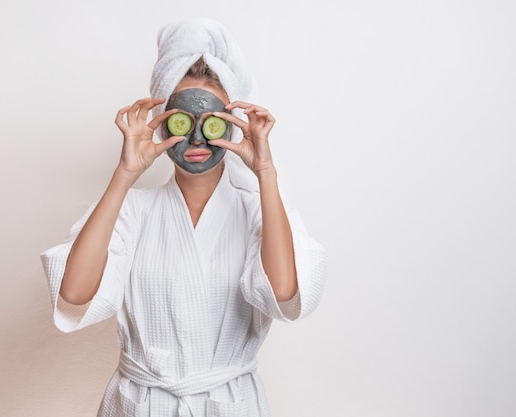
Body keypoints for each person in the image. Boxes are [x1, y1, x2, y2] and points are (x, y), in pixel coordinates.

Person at [41, 17, 327, 417]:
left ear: (230, 123)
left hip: (230, 404)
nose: (196, 139)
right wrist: (125, 174)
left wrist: (265, 172)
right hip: (142, 404)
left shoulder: (259, 209)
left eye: (210, 123)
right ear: (161, 124)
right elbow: (73, 294)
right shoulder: (132, 211)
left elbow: (283, 295)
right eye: (181, 122)